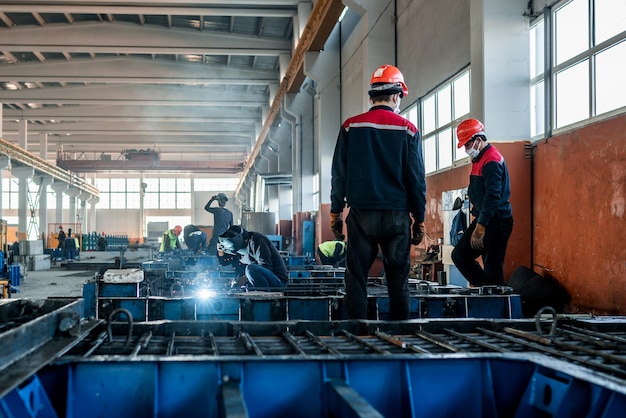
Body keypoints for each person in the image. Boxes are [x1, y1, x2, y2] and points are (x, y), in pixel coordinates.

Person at [330, 64, 426, 321]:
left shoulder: (351, 127)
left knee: (356, 277)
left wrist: (335, 213)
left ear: (372, 96)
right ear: (396, 96)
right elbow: (416, 178)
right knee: (398, 280)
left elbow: (339, 174)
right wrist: (420, 218)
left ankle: (358, 334)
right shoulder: (409, 130)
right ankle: (400, 335)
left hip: (362, 216)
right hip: (396, 217)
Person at [451, 118, 514, 287]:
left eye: (467, 144)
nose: (466, 149)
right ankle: (486, 290)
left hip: (496, 222)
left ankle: (494, 301)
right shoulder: (480, 159)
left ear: (478, 140)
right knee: (460, 256)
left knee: (492, 269)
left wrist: (481, 227)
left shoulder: (491, 161)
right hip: (485, 219)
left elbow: (492, 198)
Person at [217, 225, 288, 291]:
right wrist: (221, 251)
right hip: (262, 281)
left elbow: (266, 266)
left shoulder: (257, 240)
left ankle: (263, 297)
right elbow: (224, 262)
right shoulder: (238, 248)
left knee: (251, 269)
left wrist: (244, 278)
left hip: (277, 281)